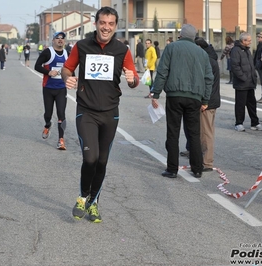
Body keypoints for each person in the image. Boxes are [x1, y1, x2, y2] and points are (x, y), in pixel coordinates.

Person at [61, 6, 139, 223]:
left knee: (102, 162)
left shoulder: (122, 50)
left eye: (111, 24)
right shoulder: (82, 46)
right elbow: (67, 68)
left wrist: (133, 79)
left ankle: (93, 203)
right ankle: (83, 196)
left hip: (110, 114)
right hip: (86, 111)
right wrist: (67, 77)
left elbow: (133, 81)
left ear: (115, 26)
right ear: (95, 24)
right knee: (90, 157)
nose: (106, 27)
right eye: (102, 23)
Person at [150, 24, 213, 179]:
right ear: (194, 37)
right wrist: (205, 99)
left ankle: (172, 169)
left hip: (174, 95)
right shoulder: (202, 53)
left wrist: (155, 92)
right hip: (195, 98)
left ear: (180, 35)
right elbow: (208, 78)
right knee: (194, 133)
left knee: (173, 132)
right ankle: (197, 168)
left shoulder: (171, 48)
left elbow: (162, 71)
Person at [35, 32, 69, 150]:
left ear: (64, 41)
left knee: (61, 114)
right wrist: (48, 72)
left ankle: (61, 140)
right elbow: (37, 66)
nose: (60, 40)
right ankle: (47, 125)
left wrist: (72, 79)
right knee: (48, 114)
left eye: (62, 38)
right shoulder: (47, 52)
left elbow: (70, 69)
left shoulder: (67, 53)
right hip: (48, 88)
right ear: (53, 40)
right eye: (57, 38)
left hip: (61, 88)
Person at [195, 37, 221, 172]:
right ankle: (205, 160)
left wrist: (204, 101)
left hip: (207, 102)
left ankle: (207, 162)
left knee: (206, 133)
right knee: (207, 131)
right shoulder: (211, 58)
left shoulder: (207, 61)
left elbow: (206, 83)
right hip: (212, 100)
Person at [231, 32, 262, 132]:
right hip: (241, 83)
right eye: (249, 40)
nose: (250, 42)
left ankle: (255, 123)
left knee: (252, 104)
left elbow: (251, 65)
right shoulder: (236, 50)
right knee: (240, 104)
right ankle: (239, 123)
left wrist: (253, 77)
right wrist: (243, 77)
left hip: (250, 82)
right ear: (243, 40)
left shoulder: (247, 51)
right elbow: (235, 66)